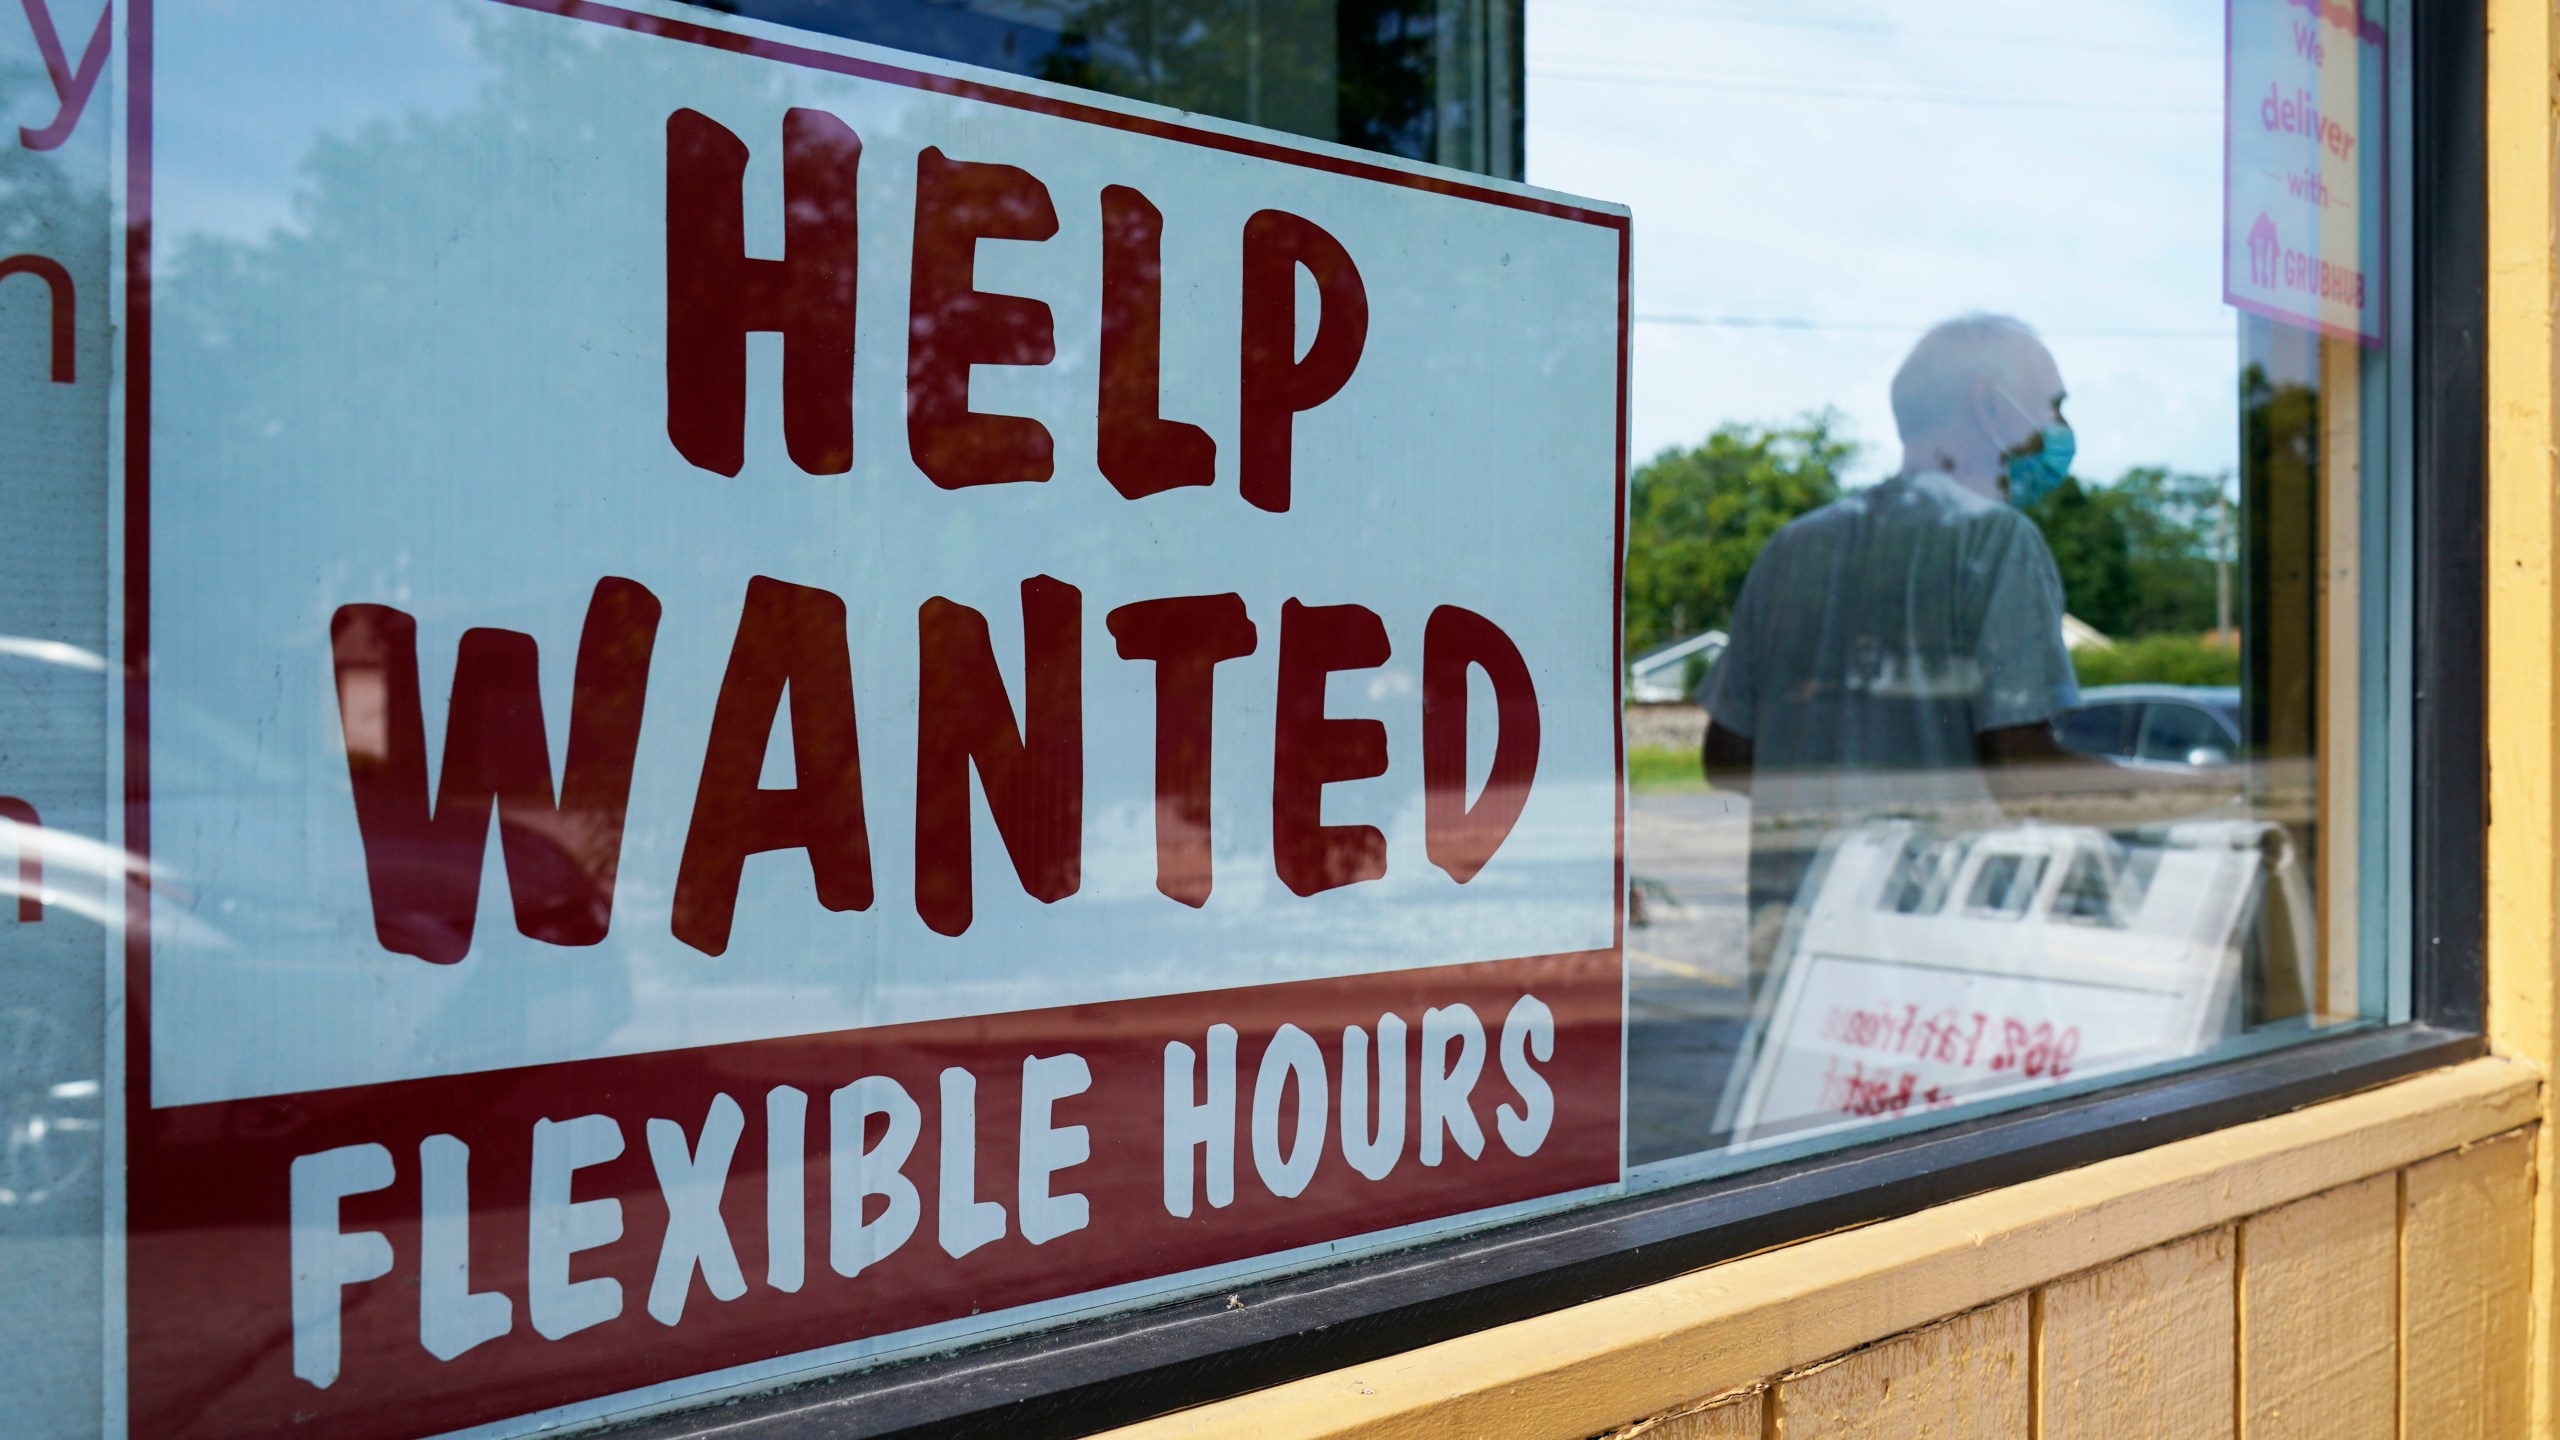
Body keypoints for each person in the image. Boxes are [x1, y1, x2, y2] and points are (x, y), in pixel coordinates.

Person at [1698, 313, 2096, 979]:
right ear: (1991, 403)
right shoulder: (1996, 542)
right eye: (2052, 406)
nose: (2057, 429)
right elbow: (2025, 771)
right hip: (1935, 964)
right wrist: (2226, 790)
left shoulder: (1795, 547)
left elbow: (1725, 756)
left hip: (1799, 953)